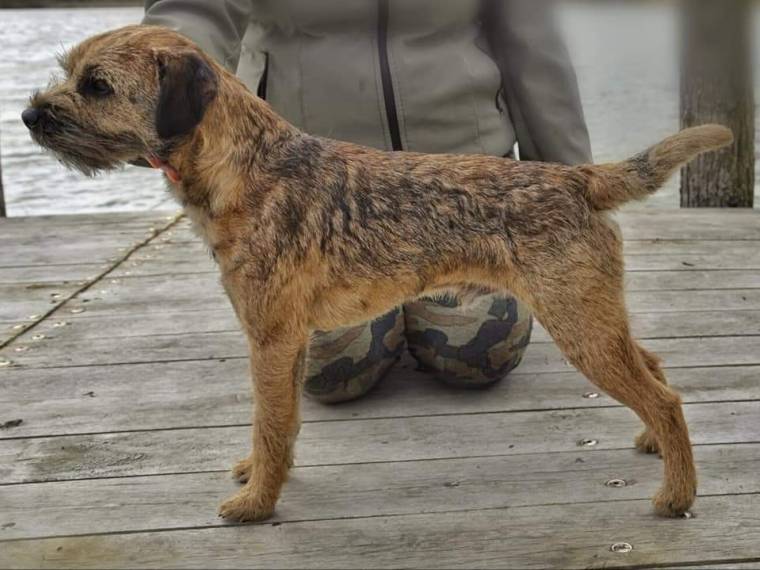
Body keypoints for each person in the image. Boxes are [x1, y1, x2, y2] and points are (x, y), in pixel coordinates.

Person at [143, 0, 592, 403]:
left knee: (476, 355)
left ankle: (409, 312)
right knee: (337, 373)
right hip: (312, 195)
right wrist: (150, 101)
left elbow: (534, 44)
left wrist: (572, 195)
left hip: (464, 191)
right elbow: (194, 10)